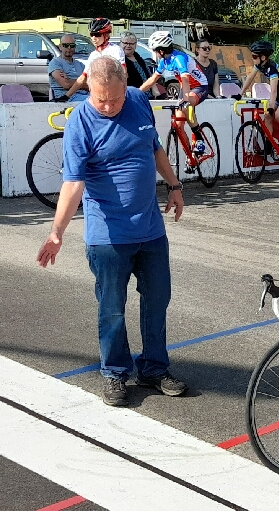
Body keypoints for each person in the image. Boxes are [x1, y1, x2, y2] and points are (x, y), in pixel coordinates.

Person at [35, 56, 187, 407]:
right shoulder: (80, 124)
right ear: (89, 88)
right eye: (101, 99)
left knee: (157, 300)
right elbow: (73, 184)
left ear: (125, 88)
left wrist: (175, 186)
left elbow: (154, 148)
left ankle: (153, 369)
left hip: (150, 229)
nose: (108, 106)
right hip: (108, 236)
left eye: (114, 99)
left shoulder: (137, 100)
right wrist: (57, 232)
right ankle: (115, 372)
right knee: (112, 307)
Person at [139, 31, 208, 157]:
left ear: (161, 50)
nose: (155, 53)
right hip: (185, 88)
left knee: (186, 106)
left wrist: (186, 98)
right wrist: (137, 92)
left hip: (199, 86)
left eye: (155, 50)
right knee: (178, 125)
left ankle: (199, 138)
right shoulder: (164, 61)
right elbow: (152, 80)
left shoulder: (179, 58)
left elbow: (186, 79)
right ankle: (191, 157)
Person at [236, 40, 279, 148]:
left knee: (278, 115)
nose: (252, 59)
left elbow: (273, 90)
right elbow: (249, 78)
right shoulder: (260, 65)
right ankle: (269, 143)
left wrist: (271, 106)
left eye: (254, 56)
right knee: (268, 116)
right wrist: (240, 94)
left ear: (263, 57)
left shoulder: (272, 69)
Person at [60, 18, 126, 101]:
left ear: (106, 35)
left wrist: (123, 95)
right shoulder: (93, 55)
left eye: (97, 35)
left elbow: (123, 74)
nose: (94, 38)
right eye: (91, 34)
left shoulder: (115, 50)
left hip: (113, 94)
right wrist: (66, 96)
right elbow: (82, 78)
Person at [119, 31, 162, 99]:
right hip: (131, 97)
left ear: (135, 45)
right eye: (125, 43)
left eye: (131, 43)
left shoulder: (138, 57)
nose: (128, 46)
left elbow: (149, 74)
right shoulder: (119, 59)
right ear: (121, 43)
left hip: (146, 96)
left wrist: (155, 90)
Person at [48, 33, 89, 102]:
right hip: (67, 98)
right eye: (66, 45)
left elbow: (91, 85)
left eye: (72, 45)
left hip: (85, 95)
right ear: (60, 47)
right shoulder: (55, 63)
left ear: (75, 47)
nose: (69, 48)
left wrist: (70, 80)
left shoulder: (81, 65)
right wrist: (82, 83)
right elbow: (66, 84)